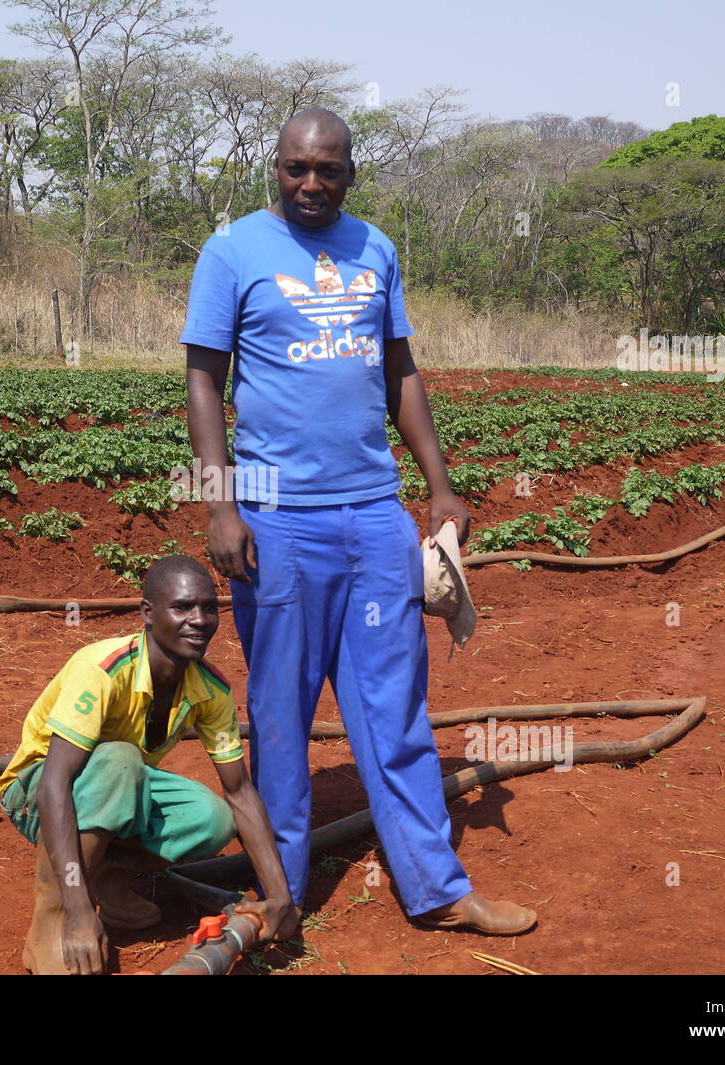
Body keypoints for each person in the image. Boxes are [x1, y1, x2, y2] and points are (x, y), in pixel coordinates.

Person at [180, 107, 536, 936]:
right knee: (279, 715)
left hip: (374, 515)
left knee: (395, 706)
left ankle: (436, 887)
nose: (312, 183)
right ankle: (281, 897)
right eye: (297, 168)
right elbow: (203, 378)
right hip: (278, 521)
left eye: (328, 169)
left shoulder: (376, 248)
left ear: (350, 172)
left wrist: (438, 487)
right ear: (276, 167)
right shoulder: (232, 249)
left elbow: (400, 368)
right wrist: (219, 500)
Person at [0, 554, 298, 974]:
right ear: (148, 614)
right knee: (120, 758)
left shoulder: (210, 688)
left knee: (210, 817)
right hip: (35, 792)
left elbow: (239, 791)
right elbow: (54, 783)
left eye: (209, 607)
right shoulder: (103, 670)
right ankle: (55, 915)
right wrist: (80, 914)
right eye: (182, 607)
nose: (199, 619)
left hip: (113, 785)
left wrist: (280, 894)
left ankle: (107, 880)